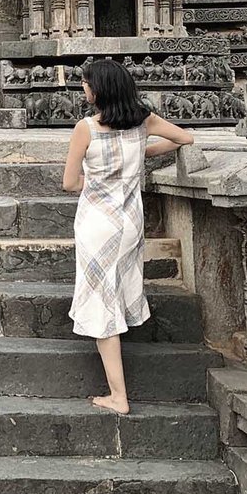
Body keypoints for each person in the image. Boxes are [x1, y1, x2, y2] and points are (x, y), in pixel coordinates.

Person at [62, 58, 195, 414]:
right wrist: (138, 154)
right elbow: (184, 138)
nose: (83, 88)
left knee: (101, 302)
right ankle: (118, 384)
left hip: (98, 222)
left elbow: (70, 183)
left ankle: (118, 396)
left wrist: (104, 176)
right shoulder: (143, 120)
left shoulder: (86, 128)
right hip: (131, 221)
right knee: (115, 289)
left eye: (86, 83)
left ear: (98, 89)